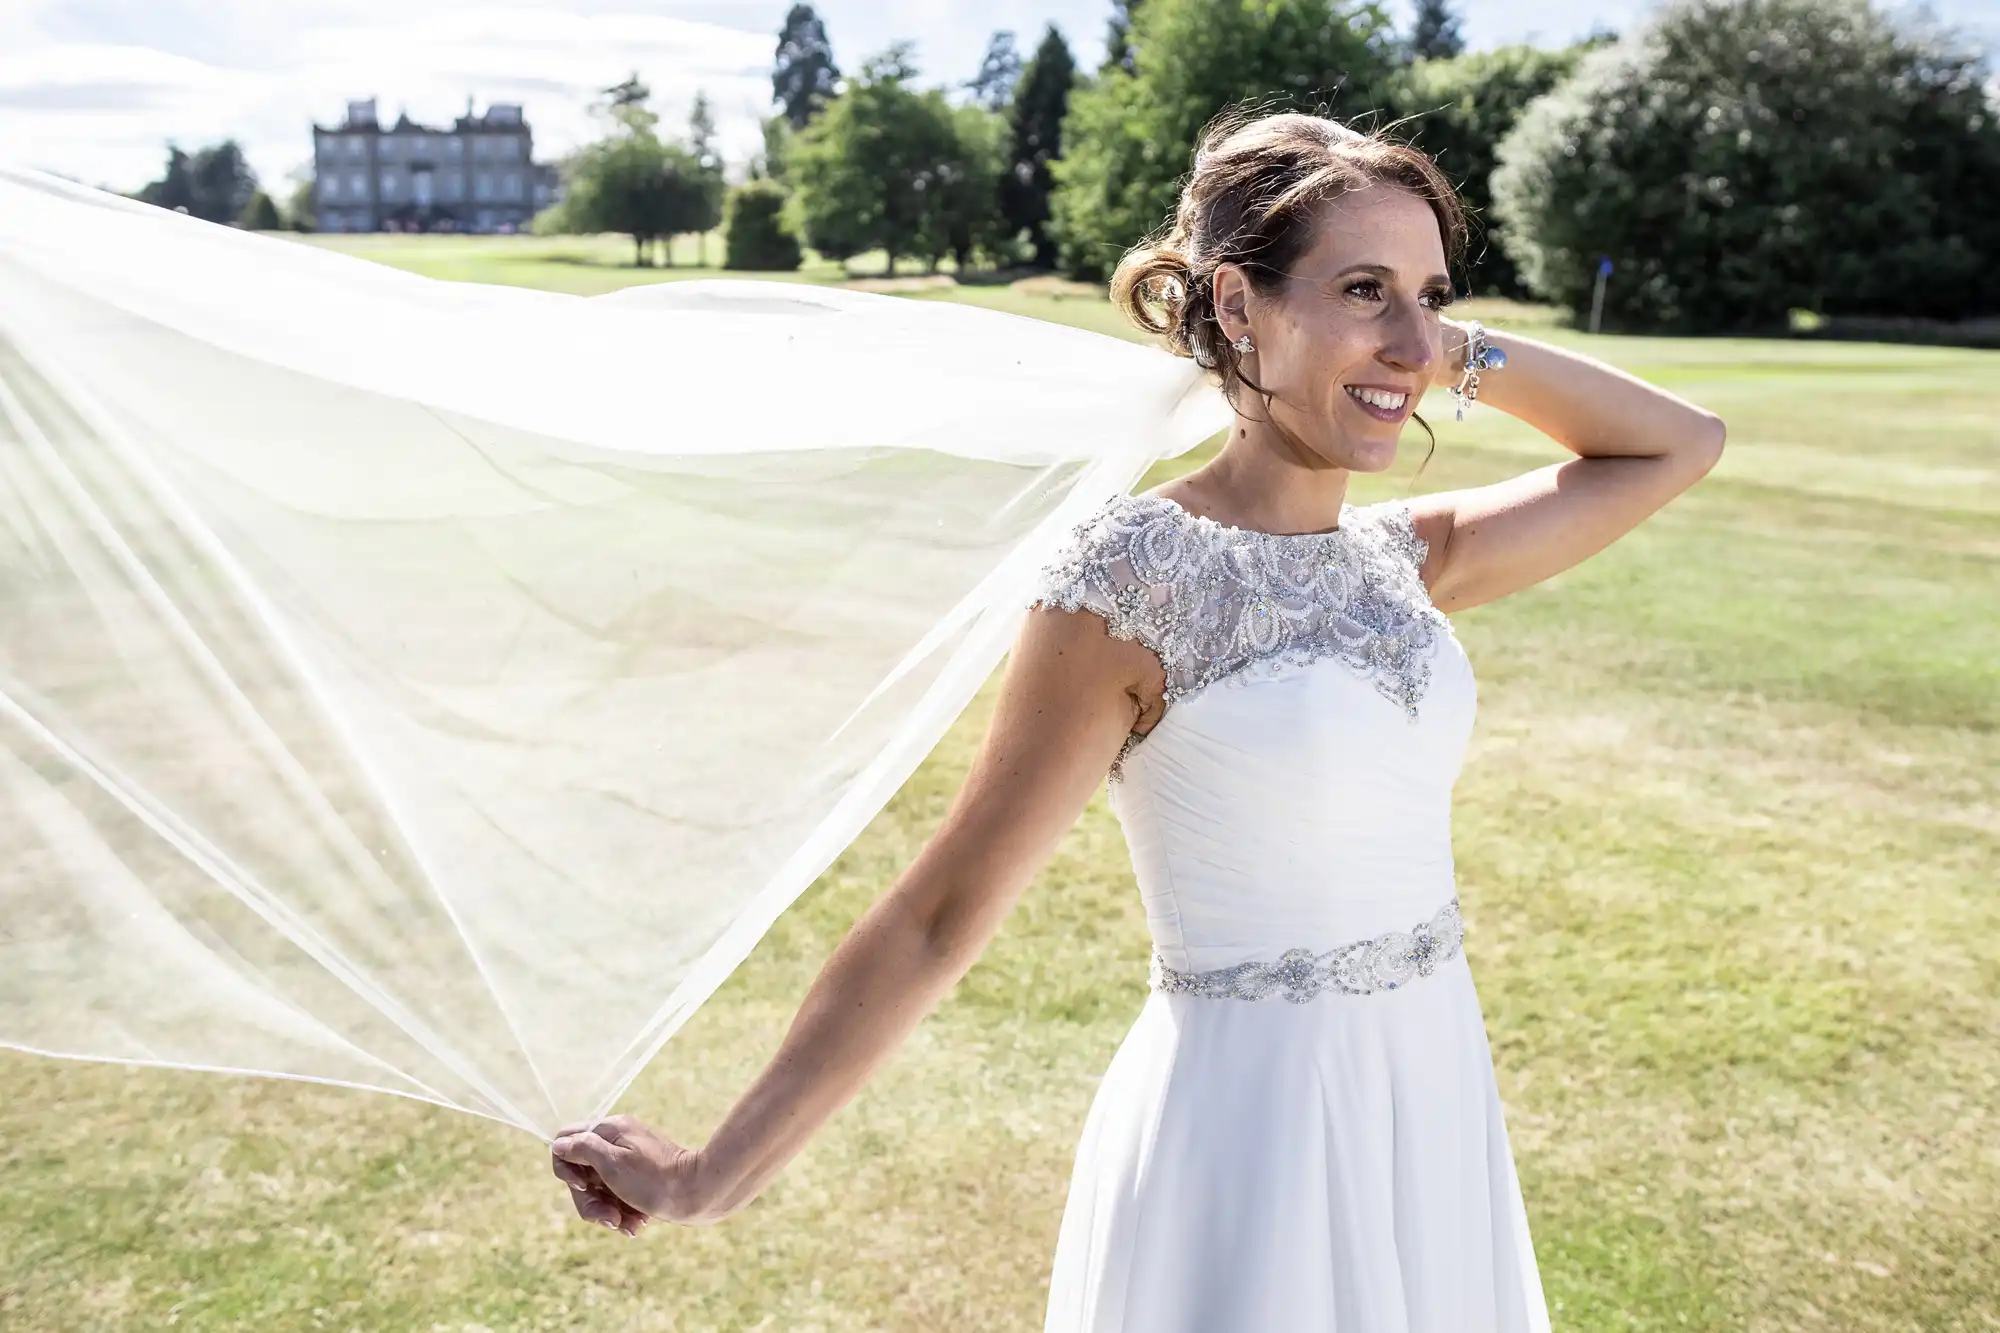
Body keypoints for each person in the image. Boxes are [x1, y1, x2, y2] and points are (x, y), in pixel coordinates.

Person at [543, 108, 1726, 1331]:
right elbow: (940, 912)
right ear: (1233, 304)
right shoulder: (1129, 580)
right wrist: (709, 1173)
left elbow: (1675, 446)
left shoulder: (1402, 558)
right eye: (1362, 288)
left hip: (1427, 1086)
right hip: (1247, 1135)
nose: (1411, 340)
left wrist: (1427, 343)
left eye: (1429, 293)